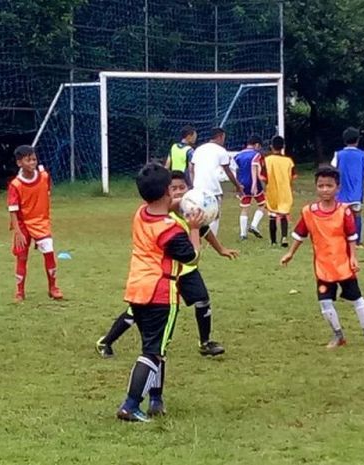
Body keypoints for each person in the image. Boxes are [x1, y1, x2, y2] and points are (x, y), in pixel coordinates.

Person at [96, 171, 238, 359]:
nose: (179, 192)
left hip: (185, 270)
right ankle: (106, 340)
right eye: (174, 188)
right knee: (137, 313)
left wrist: (220, 249)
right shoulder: (166, 214)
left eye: (182, 188)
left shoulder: (191, 209)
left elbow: (204, 230)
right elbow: (192, 252)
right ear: (165, 192)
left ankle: (205, 343)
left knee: (202, 300)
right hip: (163, 272)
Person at [115, 163, 203, 422]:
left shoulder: (141, 213)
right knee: (153, 352)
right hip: (161, 294)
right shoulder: (171, 231)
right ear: (167, 190)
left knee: (156, 348)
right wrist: (195, 229)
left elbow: (160, 208)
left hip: (137, 290)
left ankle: (156, 400)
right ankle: (130, 405)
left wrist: (179, 202)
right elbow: (192, 258)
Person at [281, 166, 364, 348]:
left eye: (329, 186)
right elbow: (300, 235)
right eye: (321, 185)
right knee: (325, 302)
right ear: (316, 187)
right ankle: (338, 335)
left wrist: (353, 257)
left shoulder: (344, 211)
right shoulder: (308, 212)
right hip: (323, 268)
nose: (325, 189)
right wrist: (290, 253)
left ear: (337, 188)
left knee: (357, 299)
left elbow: (351, 237)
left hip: (343, 265)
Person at [8, 145, 63, 302]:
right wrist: (17, 230)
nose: (32, 162)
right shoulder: (15, 184)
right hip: (23, 224)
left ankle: (53, 287)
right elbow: (13, 209)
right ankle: (20, 291)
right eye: (28, 160)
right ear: (19, 163)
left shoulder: (44, 176)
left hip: (41, 222)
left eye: (34, 159)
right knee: (22, 257)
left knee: (49, 252)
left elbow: (47, 193)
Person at [331, 127, 364, 248]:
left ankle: (340, 239)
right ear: (358, 140)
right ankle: (357, 242)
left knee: (340, 215)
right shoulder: (363, 155)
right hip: (356, 192)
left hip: (341, 192)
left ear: (344, 140)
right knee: (357, 214)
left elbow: (332, 171)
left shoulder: (339, 155)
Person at [190, 127, 244, 236]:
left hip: (198, 187)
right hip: (212, 187)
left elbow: (191, 168)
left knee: (199, 213)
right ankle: (212, 239)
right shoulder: (221, 151)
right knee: (215, 214)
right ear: (220, 137)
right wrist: (238, 186)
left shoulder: (199, 149)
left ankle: (196, 236)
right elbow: (228, 171)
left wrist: (193, 184)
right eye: (224, 138)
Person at [262, 135, 295, 247]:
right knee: (284, 214)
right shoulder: (289, 161)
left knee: (272, 215)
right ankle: (284, 238)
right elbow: (293, 177)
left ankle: (273, 241)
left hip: (272, 191)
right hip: (285, 191)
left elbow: (263, 177)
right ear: (283, 147)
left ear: (271, 146)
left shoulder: (266, 160)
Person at [234, 135, 266, 240]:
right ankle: (254, 225)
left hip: (242, 184)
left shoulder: (238, 155)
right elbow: (255, 168)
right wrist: (256, 184)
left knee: (244, 208)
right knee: (262, 204)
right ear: (257, 145)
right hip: (253, 183)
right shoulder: (256, 155)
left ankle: (243, 234)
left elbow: (236, 170)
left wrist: (237, 184)